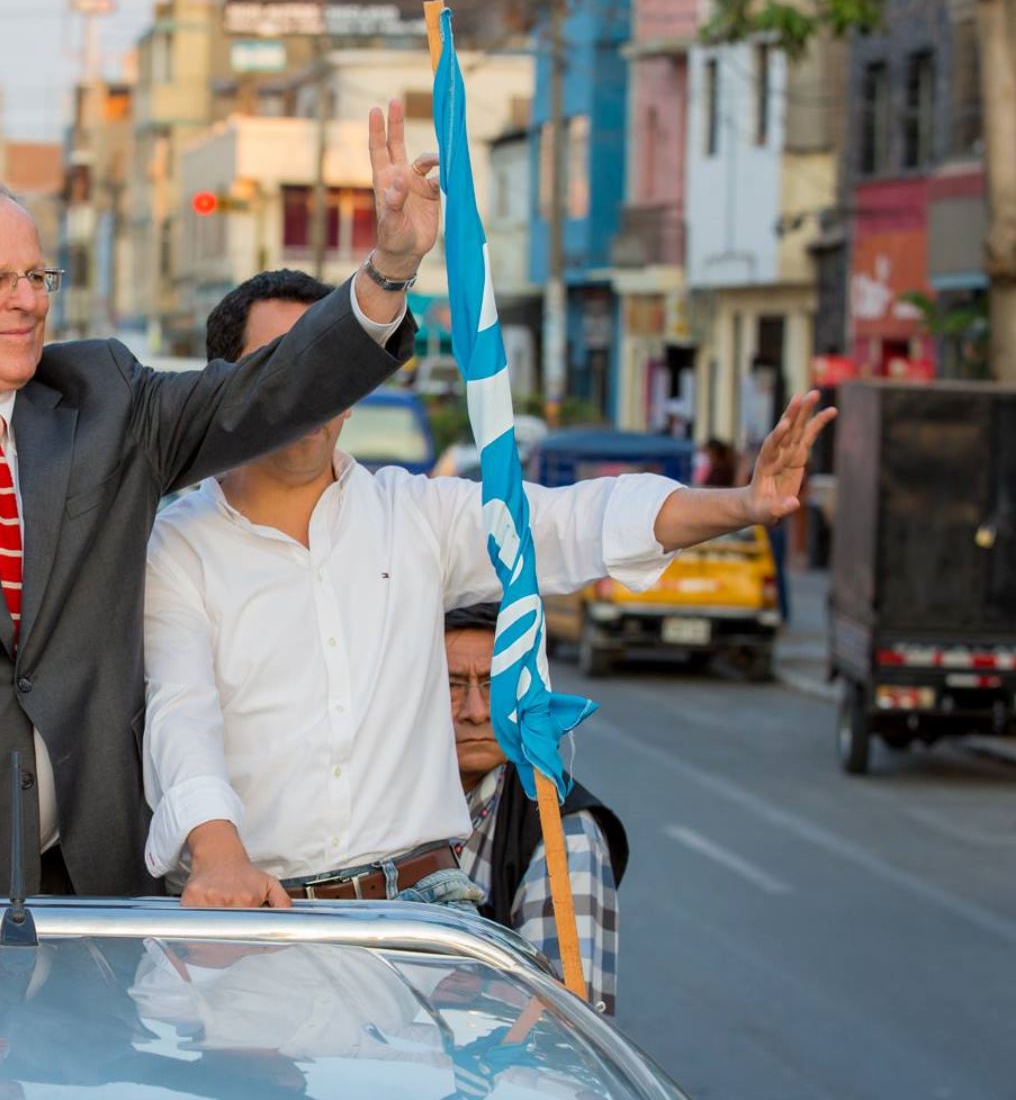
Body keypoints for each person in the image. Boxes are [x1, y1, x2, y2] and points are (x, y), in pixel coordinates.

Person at [0, 99, 436, 902]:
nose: (27, 301)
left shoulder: (106, 395)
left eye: (36, 276)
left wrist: (387, 271)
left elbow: (264, 393)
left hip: (103, 886)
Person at [141, 268, 833, 913]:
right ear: (223, 389)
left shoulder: (415, 514)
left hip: (420, 916)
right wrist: (218, 856)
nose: (309, 390)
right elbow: (181, 712)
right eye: (280, 366)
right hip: (251, 912)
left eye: (325, 367)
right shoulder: (177, 545)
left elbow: (572, 522)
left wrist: (742, 503)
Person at [445, 602, 626, 1015]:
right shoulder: (377, 802)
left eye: (496, 687)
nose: (476, 712)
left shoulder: (565, 832)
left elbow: (560, 1016)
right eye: (451, 686)